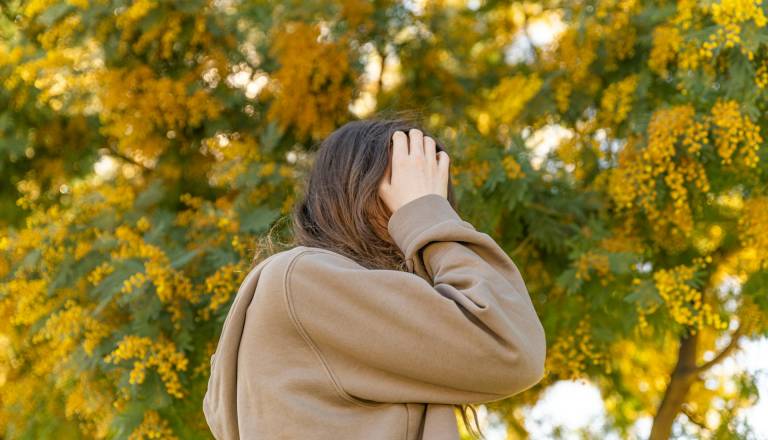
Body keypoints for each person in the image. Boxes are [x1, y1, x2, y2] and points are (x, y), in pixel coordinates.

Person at [202, 118, 546, 439]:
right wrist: (426, 214)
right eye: (406, 188)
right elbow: (511, 348)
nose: (416, 207)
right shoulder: (303, 281)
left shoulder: (311, 295)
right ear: (356, 193)